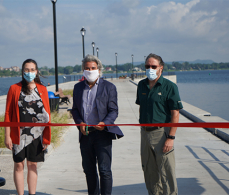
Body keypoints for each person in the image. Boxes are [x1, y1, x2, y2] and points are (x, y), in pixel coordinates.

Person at [71, 55, 124, 195]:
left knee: (104, 170)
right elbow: (75, 110)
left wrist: (105, 123)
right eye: (87, 68)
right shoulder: (77, 88)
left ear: (99, 70)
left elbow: (113, 111)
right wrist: (79, 123)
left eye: (93, 68)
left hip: (102, 134)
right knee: (89, 171)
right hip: (85, 134)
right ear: (83, 70)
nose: (90, 70)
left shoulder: (109, 87)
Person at [136, 53, 183, 195]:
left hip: (162, 134)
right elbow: (141, 108)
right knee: (149, 172)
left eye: (153, 66)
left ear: (160, 68)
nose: (150, 68)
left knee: (166, 172)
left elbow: (175, 113)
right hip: (144, 133)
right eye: (147, 66)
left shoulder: (170, 87)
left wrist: (171, 137)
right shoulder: (141, 85)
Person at [4, 59, 51, 195]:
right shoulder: (14, 89)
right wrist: (7, 136)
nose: (29, 72)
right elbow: (8, 113)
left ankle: (32, 193)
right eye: (26, 69)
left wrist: (47, 138)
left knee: (33, 164)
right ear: (22, 71)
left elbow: (46, 115)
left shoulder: (42, 89)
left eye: (32, 70)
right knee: (19, 165)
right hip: (18, 133)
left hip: (36, 134)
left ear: (36, 72)